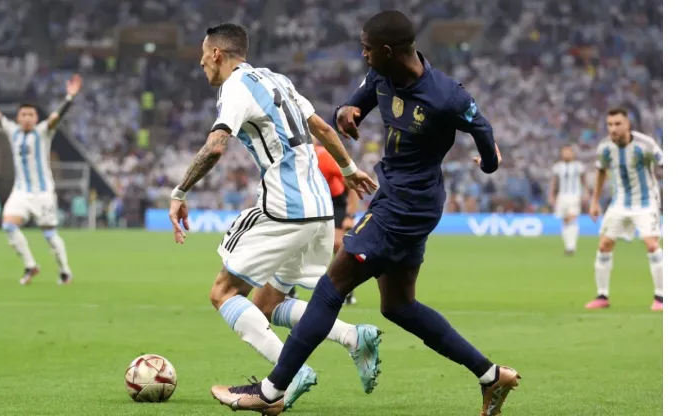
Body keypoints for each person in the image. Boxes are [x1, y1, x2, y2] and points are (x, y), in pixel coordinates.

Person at [211, 11, 519, 416]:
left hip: (406, 207)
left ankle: (270, 393)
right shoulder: (382, 76)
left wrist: (489, 161)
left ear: (388, 51)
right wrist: (347, 112)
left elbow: (484, 131)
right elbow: (354, 103)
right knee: (399, 306)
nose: (363, 54)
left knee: (331, 286)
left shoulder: (448, 96)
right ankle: (491, 376)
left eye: (367, 48)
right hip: (397, 200)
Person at [166, 23, 380, 410]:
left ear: (217, 53)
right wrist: (349, 170)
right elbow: (320, 128)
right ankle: (353, 337)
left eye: (203, 55)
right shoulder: (276, 79)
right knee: (266, 304)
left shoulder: (234, 87)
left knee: (224, 292)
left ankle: (288, 374)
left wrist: (180, 192)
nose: (200, 63)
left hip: (285, 209)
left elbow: (216, 147)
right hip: (318, 211)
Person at [0, 74, 83, 285]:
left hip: (42, 192)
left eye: (31, 114)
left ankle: (65, 271)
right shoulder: (12, 131)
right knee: (8, 226)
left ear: (36, 118)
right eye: (24, 114)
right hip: (20, 191)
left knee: (49, 234)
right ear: (18, 117)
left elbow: (56, 117)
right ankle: (31, 266)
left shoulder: (42, 132)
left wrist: (69, 98)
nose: (27, 118)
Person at [586, 107, 663, 311]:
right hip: (619, 204)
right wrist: (595, 201)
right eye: (610, 125)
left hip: (646, 203)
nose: (613, 129)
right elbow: (601, 172)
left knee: (652, 244)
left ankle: (661, 298)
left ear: (628, 124)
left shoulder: (645, 145)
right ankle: (602, 296)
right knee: (604, 245)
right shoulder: (604, 148)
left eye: (617, 124)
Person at [289, 138, 360, 305]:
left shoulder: (324, 156)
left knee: (337, 244)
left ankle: (345, 289)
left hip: (334, 203)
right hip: (308, 203)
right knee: (292, 242)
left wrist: (350, 215)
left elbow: (353, 184)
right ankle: (289, 291)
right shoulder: (290, 159)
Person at [548, 144, 588, 255]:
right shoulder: (557, 167)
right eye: (564, 152)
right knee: (565, 220)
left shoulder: (579, 166)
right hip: (562, 196)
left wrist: (586, 193)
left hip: (575, 195)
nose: (566, 154)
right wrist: (551, 195)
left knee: (572, 217)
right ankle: (568, 246)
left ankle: (571, 246)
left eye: (568, 152)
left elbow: (584, 181)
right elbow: (554, 183)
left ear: (573, 153)